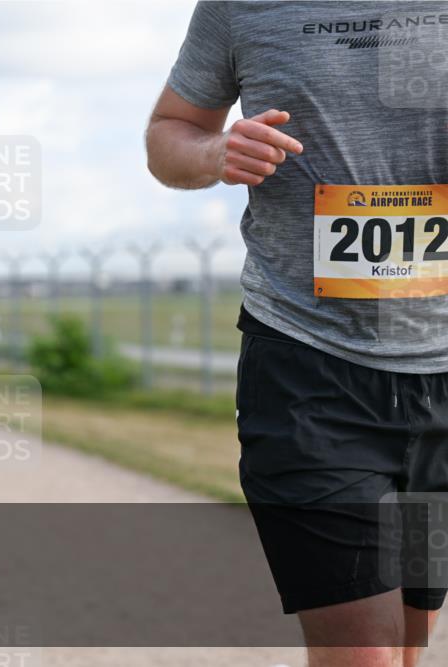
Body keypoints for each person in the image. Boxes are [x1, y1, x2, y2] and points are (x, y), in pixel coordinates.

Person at [147, 3, 447, 665]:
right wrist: (216, 150)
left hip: (442, 372)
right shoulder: (242, 8)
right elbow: (169, 134)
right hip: (307, 369)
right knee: (364, 650)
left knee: (408, 641)